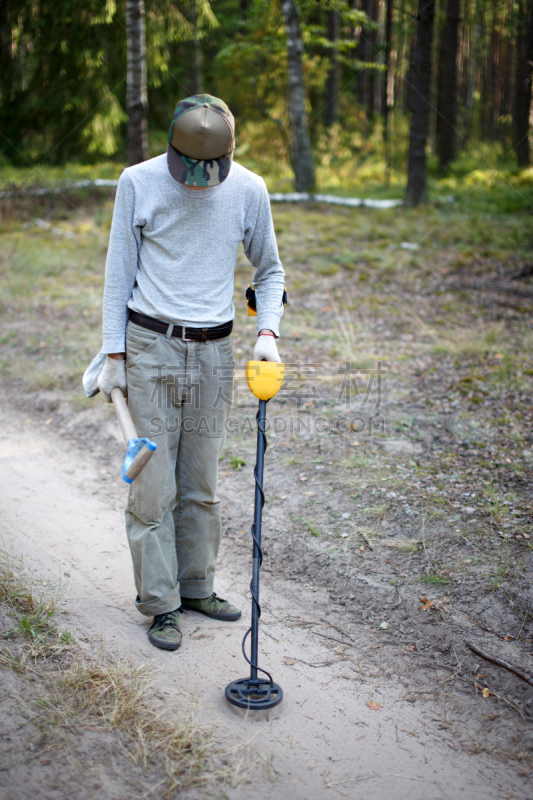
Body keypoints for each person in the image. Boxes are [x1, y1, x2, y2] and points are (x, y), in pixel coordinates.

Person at [96, 94, 285, 652]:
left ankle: (197, 585)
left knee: (200, 481)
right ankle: (160, 603)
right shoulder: (138, 181)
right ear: (172, 147)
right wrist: (114, 356)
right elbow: (118, 273)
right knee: (153, 484)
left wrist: (268, 335)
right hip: (150, 344)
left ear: (231, 151)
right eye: (190, 168)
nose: (200, 180)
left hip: (213, 353)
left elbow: (269, 271)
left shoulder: (250, 189)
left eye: (213, 169)